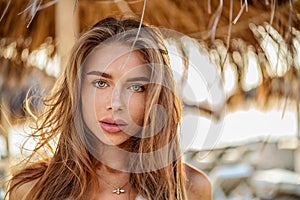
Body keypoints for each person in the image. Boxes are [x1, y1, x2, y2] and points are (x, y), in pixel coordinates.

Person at [6, 17, 212, 200]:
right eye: (101, 83)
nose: (115, 103)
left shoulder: (191, 189)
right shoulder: (30, 189)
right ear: (78, 92)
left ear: (155, 98)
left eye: (136, 87)